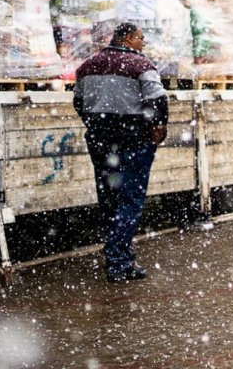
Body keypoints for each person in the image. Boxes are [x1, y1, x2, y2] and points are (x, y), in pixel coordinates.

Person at [73, 22, 169, 282]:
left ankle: (117, 254)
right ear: (127, 38)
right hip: (134, 139)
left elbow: (78, 101)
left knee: (109, 197)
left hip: (100, 140)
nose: (143, 42)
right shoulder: (142, 66)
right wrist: (158, 127)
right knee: (131, 198)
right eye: (140, 37)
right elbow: (158, 99)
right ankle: (118, 261)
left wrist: (96, 124)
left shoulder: (88, 66)